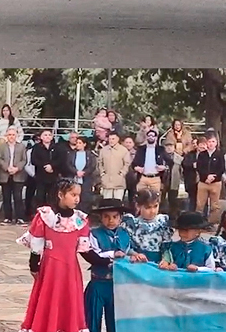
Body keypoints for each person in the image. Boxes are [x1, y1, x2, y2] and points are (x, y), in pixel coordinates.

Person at [18, 179, 91, 332]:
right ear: (60, 195)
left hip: (71, 269)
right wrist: (34, 264)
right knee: (48, 298)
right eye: (72, 194)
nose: (77, 198)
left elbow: (85, 249)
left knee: (68, 299)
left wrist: (104, 260)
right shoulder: (46, 216)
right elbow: (36, 242)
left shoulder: (80, 220)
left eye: (78, 195)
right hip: (50, 268)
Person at [81, 199, 131, 332]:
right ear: (101, 218)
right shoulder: (94, 234)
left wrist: (135, 255)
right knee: (92, 318)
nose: (111, 220)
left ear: (120, 218)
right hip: (98, 282)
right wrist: (113, 254)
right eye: (106, 217)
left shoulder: (125, 234)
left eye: (115, 217)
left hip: (116, 285)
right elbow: (95, 254)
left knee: (114, 319)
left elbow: (128, 251)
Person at [124, 189, 172, 263]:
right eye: (148, 207)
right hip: (138, 262)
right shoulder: (131, 224)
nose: (152, 211)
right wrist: (135, 254)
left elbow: (167, 247)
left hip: (158, 263)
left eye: (155, 206)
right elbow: (126, 246)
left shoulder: (163, 223)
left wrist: (165, 259)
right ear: (138, 206)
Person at [0, 125, 27, 225]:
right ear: (6, 136)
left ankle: (20, 218)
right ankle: (7, 218)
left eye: (13, 134)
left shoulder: (21, 146)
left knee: (18, 197)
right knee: (6, 197)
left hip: (18, 175)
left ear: (16, 135)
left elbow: (24, 160)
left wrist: (17, 168)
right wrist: (7, 167)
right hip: (5, 175)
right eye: (9, 135)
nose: (11, 136)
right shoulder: (1, 146)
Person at [195, 129, 224, 225]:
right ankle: (198, 222)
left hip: (215, 183)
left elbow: (221, 168)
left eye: (213, 141)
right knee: (200, 204)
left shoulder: (220, 154)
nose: (211, 144)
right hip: (203, 183)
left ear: (216, 143)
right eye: (209, 141)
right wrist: (205, 177)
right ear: (206, 142)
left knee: (214, 205)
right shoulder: (202, 155)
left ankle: (212, 223)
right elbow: (199, 167)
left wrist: (213, 177)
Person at [132, 129, 170, 194]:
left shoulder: (160, 149)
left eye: (152, 136)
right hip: (143, 178)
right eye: (149, 136)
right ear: (146, 137)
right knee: (141, 199)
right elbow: (134, 163)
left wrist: (164, 167)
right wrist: (136, 168)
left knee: (155, 199)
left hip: (156, 178)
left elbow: (169, 161)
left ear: (156, 138)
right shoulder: (141, 149)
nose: (151, 137)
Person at [98, 131, 131, 201]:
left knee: (118, 203)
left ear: (117, 139)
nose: (111, 141)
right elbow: (100, 163)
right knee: (107, 203)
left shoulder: (123, 150)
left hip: (119, 182)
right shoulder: (103, 150)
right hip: (106, 181)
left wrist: (122, 173)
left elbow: (127, 164)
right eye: (110, 139)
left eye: (113, 139)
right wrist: (102, 173)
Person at [68, 134, 97, 211]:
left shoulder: (90, 155)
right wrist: (76, 172)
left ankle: (85, 213)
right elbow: (69, 165)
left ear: (84, 144)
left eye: (80, 143)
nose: (78, 145)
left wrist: (84, 172)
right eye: (77, 143)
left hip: (86, 179)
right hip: (75, 178)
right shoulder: (72, 154)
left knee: (85, 197)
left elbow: (92, 166)